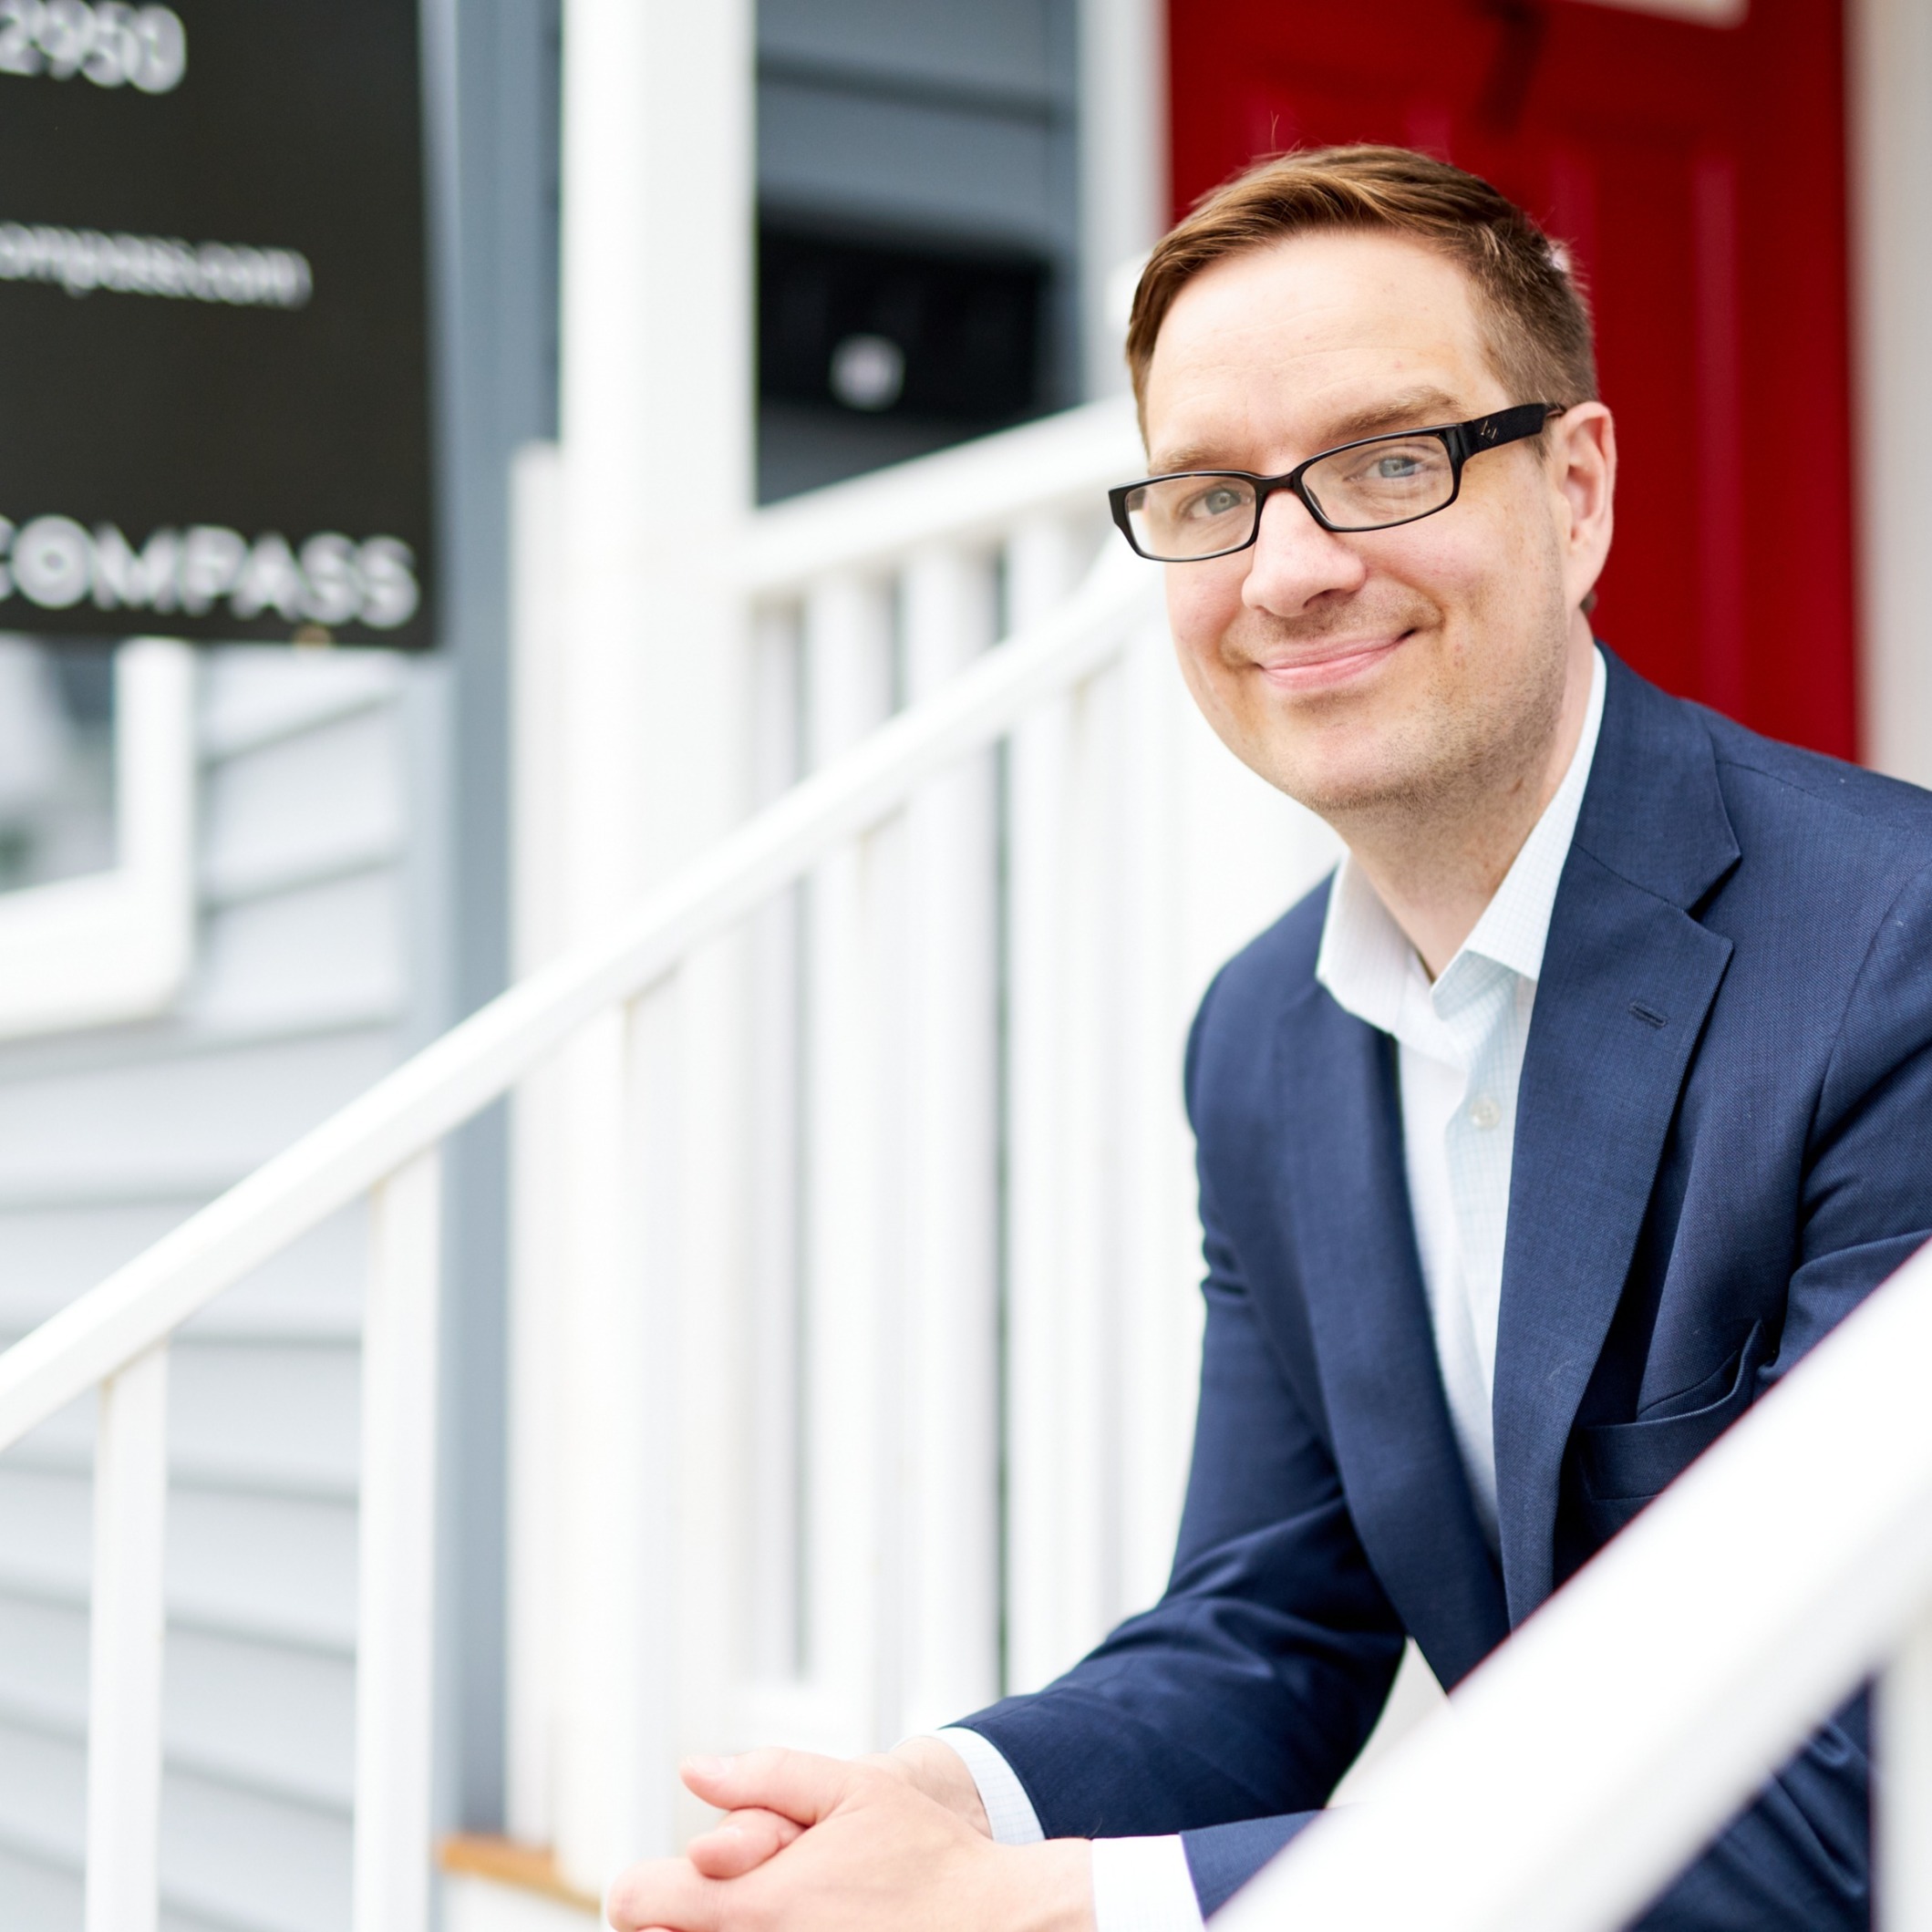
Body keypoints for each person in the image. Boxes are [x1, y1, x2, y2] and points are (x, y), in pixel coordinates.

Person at [605, 145, 1932, 1932]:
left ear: (1577, 489)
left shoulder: (1890, 953)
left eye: (1388, 460)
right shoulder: (1263, 1041)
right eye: (1210, 494)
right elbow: (1270, 1634)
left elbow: (1824, 1822)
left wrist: (1044, 1904)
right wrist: (943, 1800)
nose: (1290, 569)